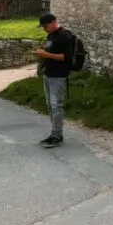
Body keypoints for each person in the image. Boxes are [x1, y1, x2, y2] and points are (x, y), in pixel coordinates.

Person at [34, 13, 72, 148]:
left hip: (58, 75)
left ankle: (57, 135)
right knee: (50, 105)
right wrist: (42, 54)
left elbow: (65, 57)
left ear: (53, 23)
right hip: (48, 74)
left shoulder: (64, 36)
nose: (44, 29)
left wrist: (46, 54)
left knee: (56, 105)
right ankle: (55, 134)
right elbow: (49, 51)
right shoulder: (51, 36)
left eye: (45, 26)